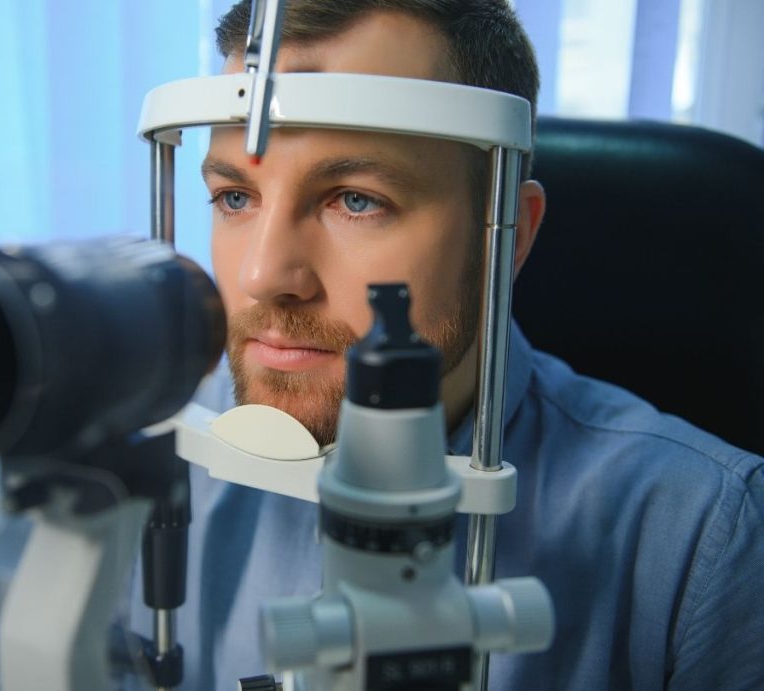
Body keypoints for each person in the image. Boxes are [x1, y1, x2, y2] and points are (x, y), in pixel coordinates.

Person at [132, 2, 764, 689]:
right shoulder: (145, 449)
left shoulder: (704, 539)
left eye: (356, 199)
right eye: (234, 197)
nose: (263, 275)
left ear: (508, 236)